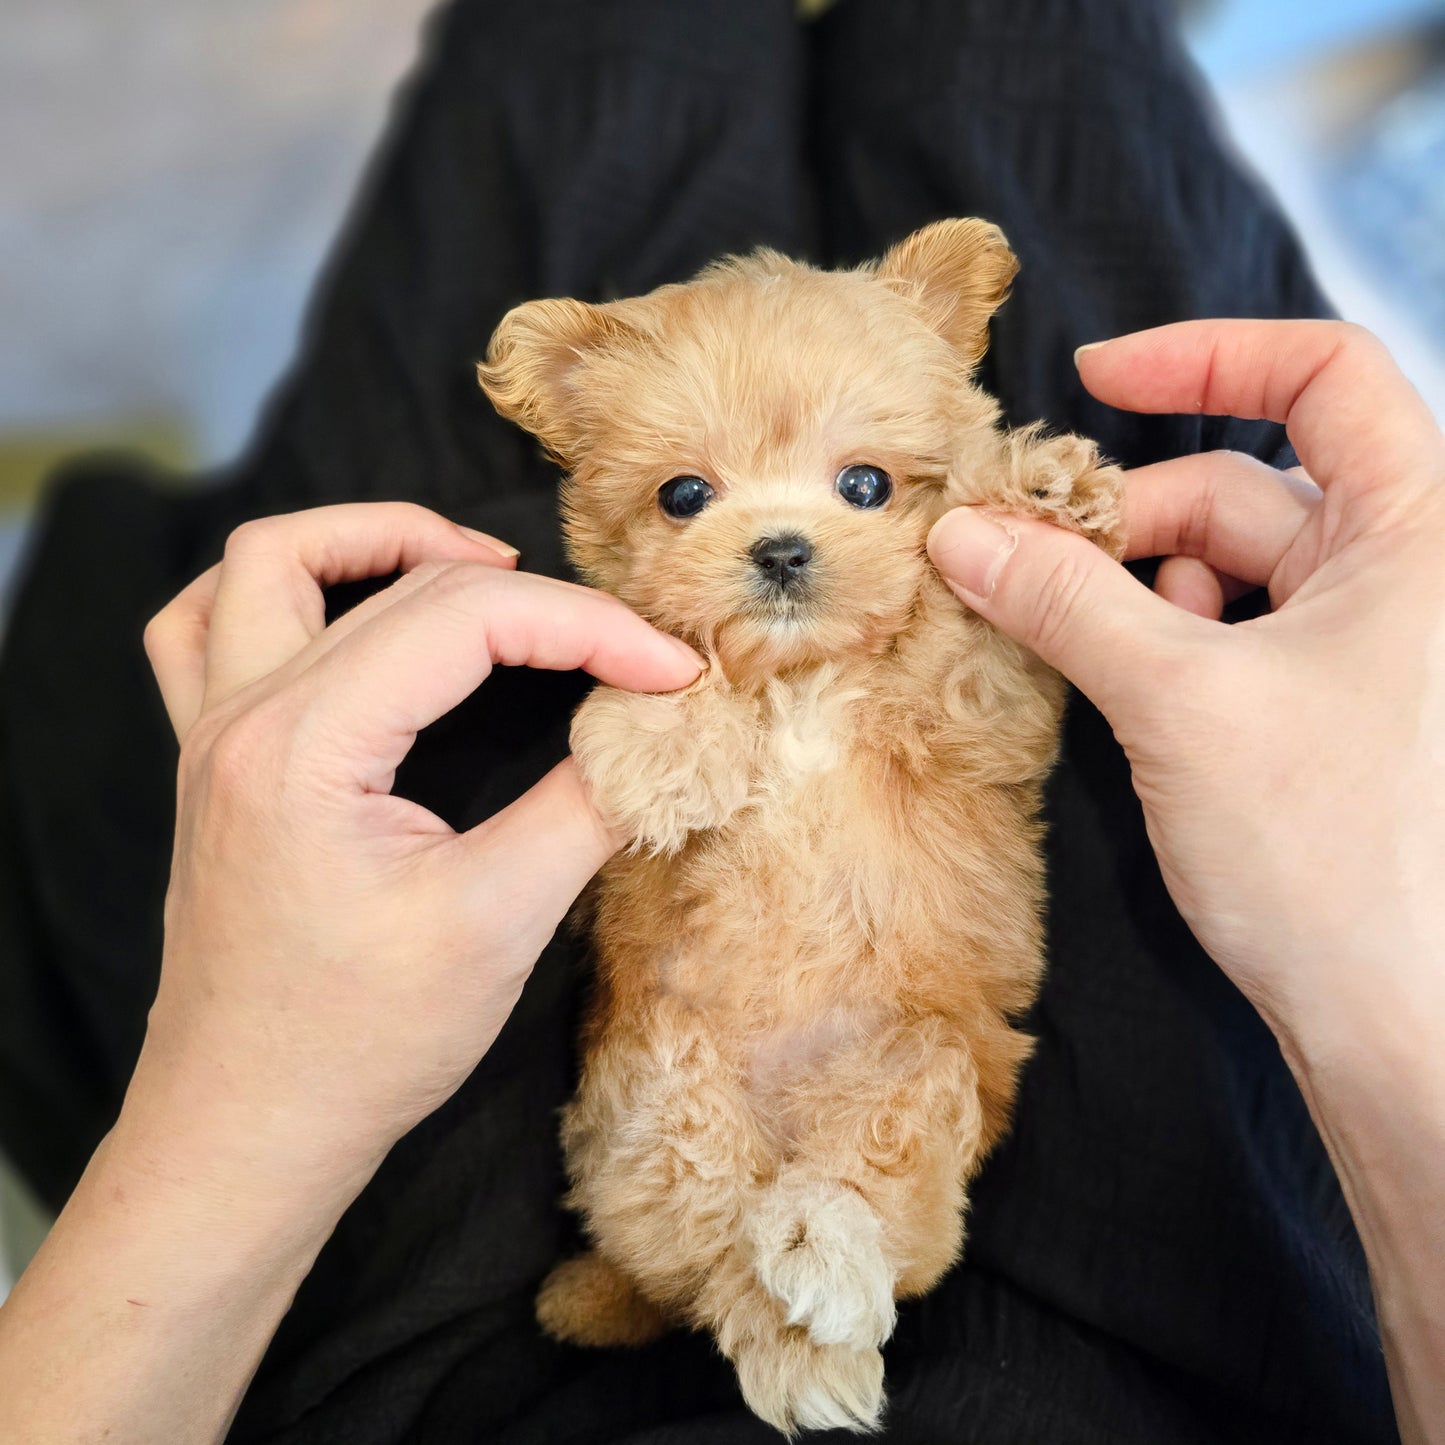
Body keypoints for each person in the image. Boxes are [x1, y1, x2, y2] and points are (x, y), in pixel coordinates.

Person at [0, 2, 1430, 1442]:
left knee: (593, 67)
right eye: (689, 496)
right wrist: (1389, 994)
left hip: (425, 1338)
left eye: (862, 482)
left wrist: (236, 1109)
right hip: (1216, 1311)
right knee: (1026, 56)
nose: (784, 538)